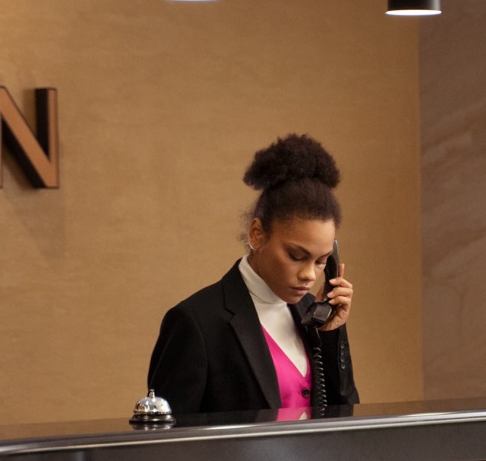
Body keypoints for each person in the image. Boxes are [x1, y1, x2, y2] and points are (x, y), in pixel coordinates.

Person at [147, 134, 359, 416]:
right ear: (257, 234)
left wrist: (332, 335)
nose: (309, 275)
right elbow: (168, 443)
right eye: (296, 256)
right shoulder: (195, 322)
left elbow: (345, 421)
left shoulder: (313, 313)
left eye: (321, 261)